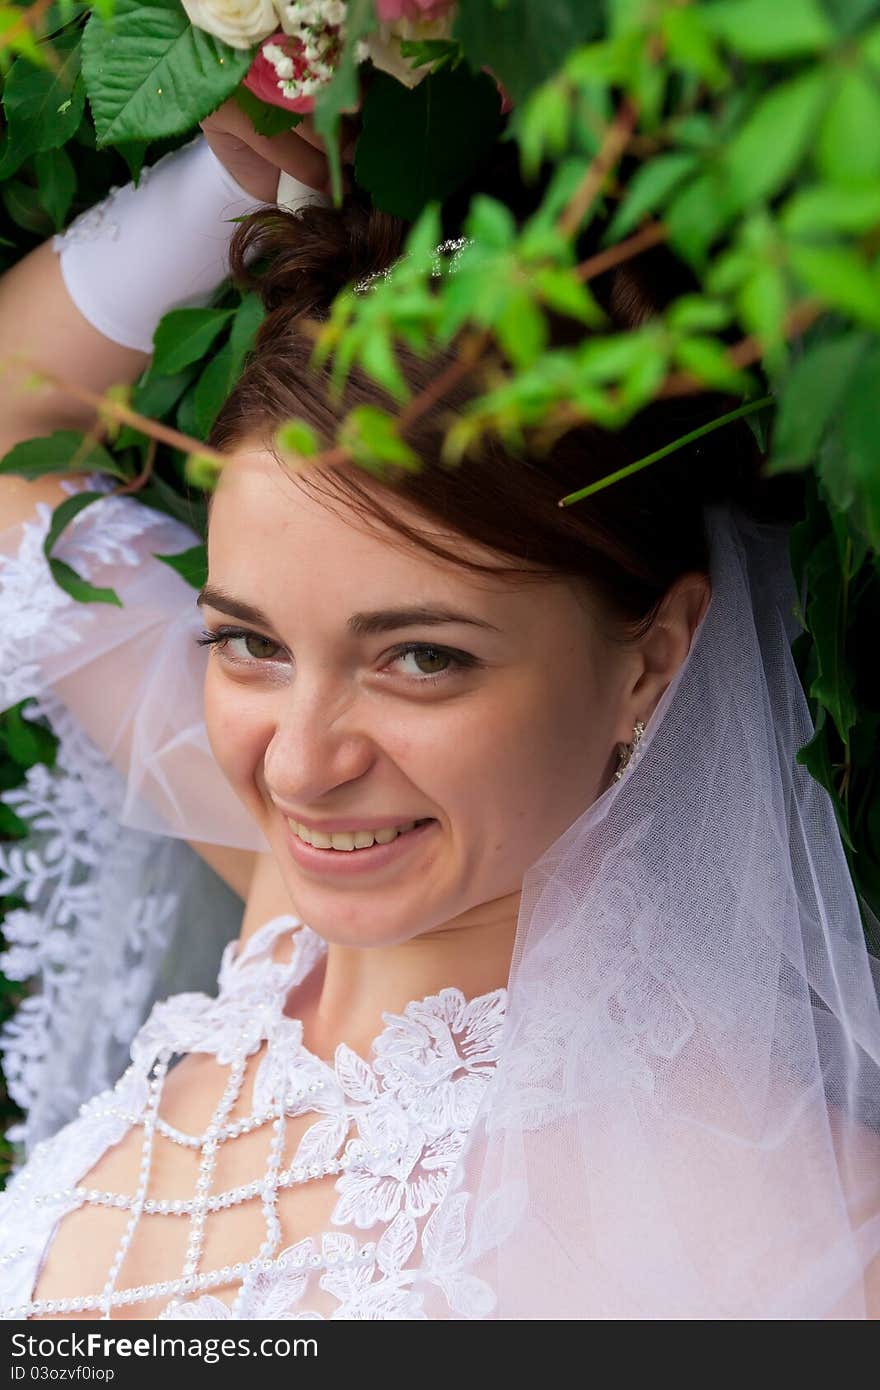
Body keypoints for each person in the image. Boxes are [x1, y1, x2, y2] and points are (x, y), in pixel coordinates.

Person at [0, 101, 878, 1321]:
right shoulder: (282, 926)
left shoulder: (795, 1229)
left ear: (650, 656)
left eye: (420, 659)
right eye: (249, 642)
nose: (300, 766)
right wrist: (244, 152)